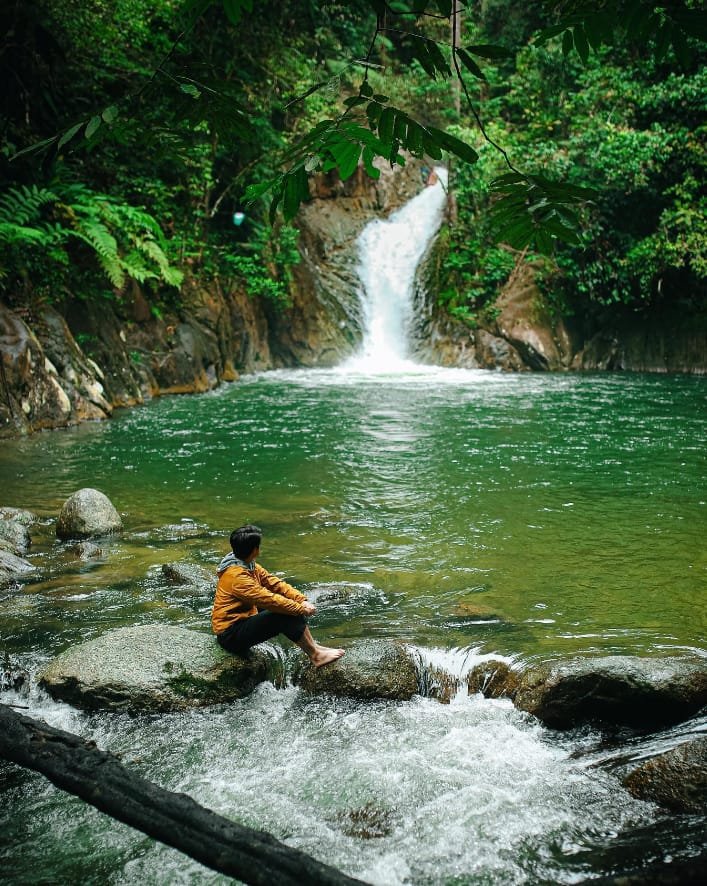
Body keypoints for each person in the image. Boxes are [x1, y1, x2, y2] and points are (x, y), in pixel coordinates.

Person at [211, 524, 345, 668]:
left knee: (288, 606)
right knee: (284, 612)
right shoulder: (237, 577)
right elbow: (269, 600)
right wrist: (300, 608)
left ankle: (314, 647)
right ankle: (316, 655)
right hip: (231, 635)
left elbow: (274, 583)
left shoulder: (246, 564)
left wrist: (301, 599)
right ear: (255, 550)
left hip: (244, 617)